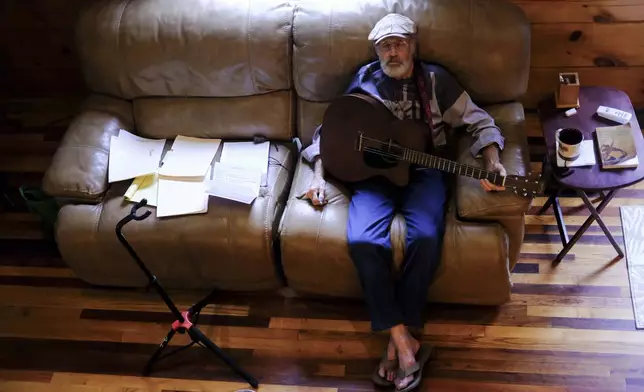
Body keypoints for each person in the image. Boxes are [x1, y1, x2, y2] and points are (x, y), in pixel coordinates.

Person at [299, 13, 507, 392]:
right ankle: (403, 340)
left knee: (426, 237)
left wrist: (492, 161)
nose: (392, 52)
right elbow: (332, 130)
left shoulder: (436, 82)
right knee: (362, 240)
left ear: (412, 45)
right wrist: (317, 174)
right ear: (376, 51)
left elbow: (481, 121)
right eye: (384, 46)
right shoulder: (363, 80)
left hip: (424, 172)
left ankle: (400, 338)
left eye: (398, 43)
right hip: (374, 177)